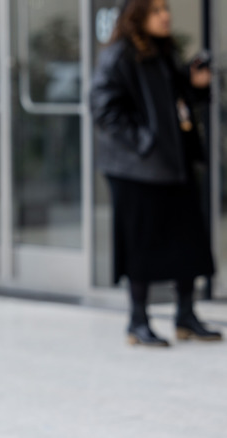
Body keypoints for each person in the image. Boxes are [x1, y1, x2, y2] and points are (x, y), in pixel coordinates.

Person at [90, 0, 222, 347]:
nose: (166, 15)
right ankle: (138, 322)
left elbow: (179, 103)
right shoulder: (120, 55)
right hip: (136, 169)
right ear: (137, 17)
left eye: (166, 9)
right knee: (142, 246)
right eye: (157, 10)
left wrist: (197, 84)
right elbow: (103, 108)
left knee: (188, 241)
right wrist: (145, 141)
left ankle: (186, 317)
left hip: (172, 163)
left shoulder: (164, 52)